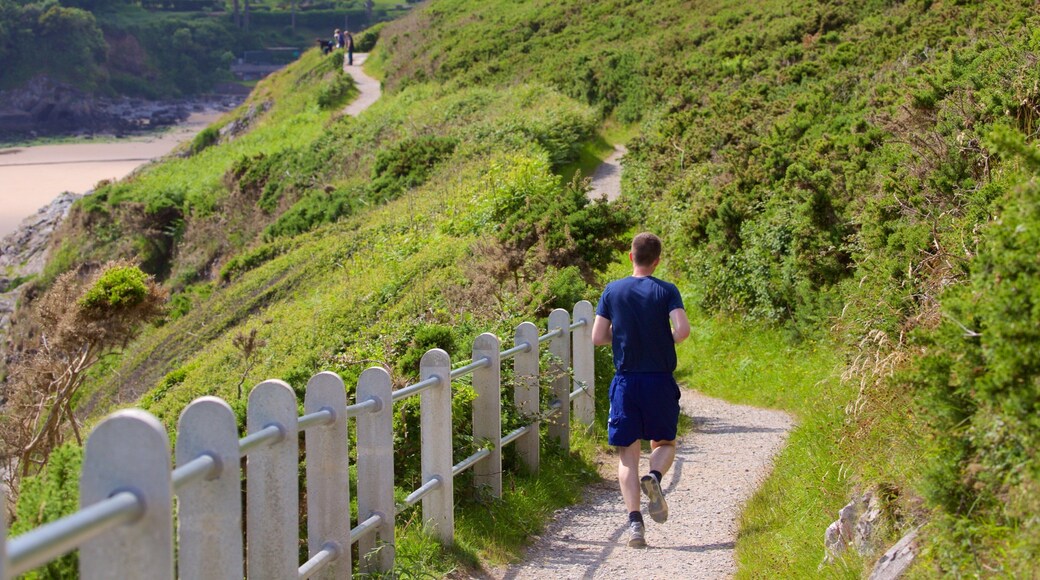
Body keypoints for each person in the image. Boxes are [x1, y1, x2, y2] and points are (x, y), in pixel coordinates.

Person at [592, 232, 690, 548]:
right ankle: (656, 478)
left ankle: (635, 524)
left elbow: (597, 336)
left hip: (626, 383)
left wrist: (620, 339)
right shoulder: (667, 290)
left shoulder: (612, 291)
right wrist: (663, 340)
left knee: (627, 456)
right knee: (664, 442)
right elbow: (683, 329)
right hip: (659, 380)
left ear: (631, 256)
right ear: (657, 260)